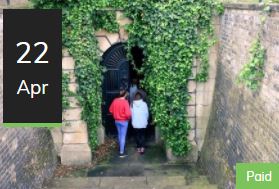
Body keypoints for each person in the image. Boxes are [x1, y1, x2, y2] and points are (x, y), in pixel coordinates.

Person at [109, 88, 131, 158]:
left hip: (117, 121)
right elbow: (128, 114)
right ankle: (121, 153)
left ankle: (121, 148)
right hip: (124, 121)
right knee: (123, 136)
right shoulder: (125, 102)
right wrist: (127, 118)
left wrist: (116, 114)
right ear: (125, 94)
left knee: (119, 135)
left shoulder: (115, 100)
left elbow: (110, 110)